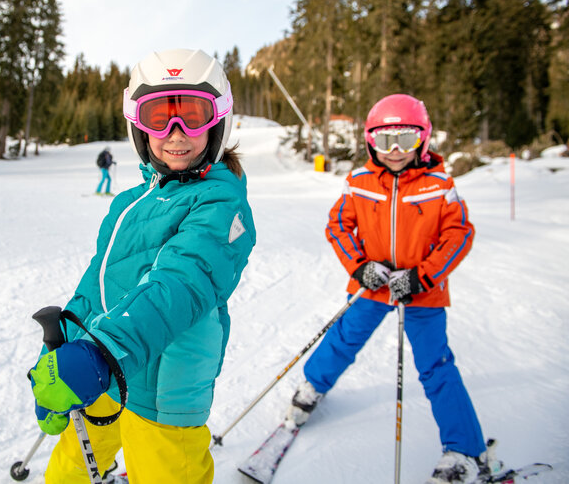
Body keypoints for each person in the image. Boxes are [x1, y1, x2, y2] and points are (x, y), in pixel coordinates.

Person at [29, 48, 256, 484]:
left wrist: (99, 352)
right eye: (159, 118)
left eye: (193, 115)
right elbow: (97, 281)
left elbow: (180, 283)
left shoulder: (222, 203)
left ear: (219, 120)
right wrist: (66, 345)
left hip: (164, 391)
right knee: (66, 472)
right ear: (138, 126)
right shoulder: (127, 203)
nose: (176, 133)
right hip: (105, 370)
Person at [284, 94, 494, 484]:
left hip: (420, 290)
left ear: (424, 139)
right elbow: (338, 225)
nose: (395, 151)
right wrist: (360, 267)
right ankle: (312, 386)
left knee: (435, 365)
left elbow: (459, 234)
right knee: (345, 337)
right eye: (384, 141)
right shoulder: (359, 183)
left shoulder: (439, 185)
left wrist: (422, 276)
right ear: (370, 142)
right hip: (375, 284)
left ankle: (465, 449)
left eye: (406, 139)